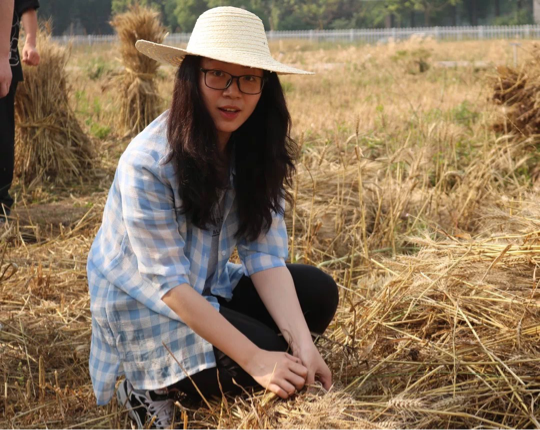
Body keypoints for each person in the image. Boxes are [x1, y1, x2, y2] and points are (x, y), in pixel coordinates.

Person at [87, 6, 339, 429]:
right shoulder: (148, 163)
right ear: (191, 76)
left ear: (265, 87)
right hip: (146, 306)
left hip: (207, 286)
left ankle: (239, 357)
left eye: (248, 79)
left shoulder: (253, 150)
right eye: (218, 75)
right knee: (264, 354)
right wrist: (257, 359)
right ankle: (146, 387)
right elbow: (170, 287)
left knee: (317, 293)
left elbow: (264, 257)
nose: (233, 93)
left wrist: (303, 346)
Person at [0, 0, 40, 222]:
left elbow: (27, 6)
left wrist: (30, 43)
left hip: (3, 63)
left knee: (2, 132)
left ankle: (0, 203)